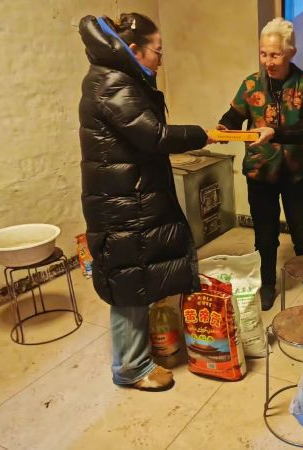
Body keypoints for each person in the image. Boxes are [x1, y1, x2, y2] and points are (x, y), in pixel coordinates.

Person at [78, 13, 211, 391]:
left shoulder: (115, 77)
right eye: (158, 51)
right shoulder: (113, 82)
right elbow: (153, 136)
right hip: (120, 201)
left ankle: (137, 356)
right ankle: (130, 368)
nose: (160, 60)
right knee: (129, 284)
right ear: (135, 50)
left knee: (135, 278)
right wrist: (203, 135)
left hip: (126, 193)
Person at [217, 18, 303, 311]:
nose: (268, 61)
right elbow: (233, 115)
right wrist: (224, 128)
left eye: (275, 55)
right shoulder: (251, 83)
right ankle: (267, 284)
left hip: (296, 171)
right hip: (260, 171)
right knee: (265, 234)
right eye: (263, 54)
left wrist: (274, 132)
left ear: (290, 52)